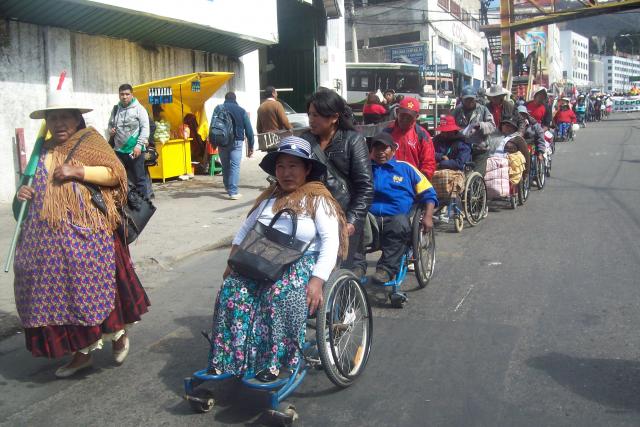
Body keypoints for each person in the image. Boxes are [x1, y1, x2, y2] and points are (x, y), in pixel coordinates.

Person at [14, 92, 150, 378]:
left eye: (65, 116)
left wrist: (78, 171)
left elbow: (116, 174)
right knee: (65, 299)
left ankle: (118, 335)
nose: (59, 123)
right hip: (48, 244)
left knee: (98, 290)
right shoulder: (41, 151)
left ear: (77, 118)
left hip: (90, 235)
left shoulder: (90, 141)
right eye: (53, 118)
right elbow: (21, 207)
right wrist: (22, 194)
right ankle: (81, 354)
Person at [207, 136, 347, 382]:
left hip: (301, 260)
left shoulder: (318, 199)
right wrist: (232, 262)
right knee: (233, 290)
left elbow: (330, 241)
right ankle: (228, 359)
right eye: (281, 166)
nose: (286, 172)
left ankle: (275, 362)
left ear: (307, 169)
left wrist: (317, 281)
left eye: (293, 166)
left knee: (279, 295)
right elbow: (244, 230)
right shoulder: (268, 198)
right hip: (262, 258)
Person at [301, 90, 373, 278]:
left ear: (334, 117)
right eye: (309, 114)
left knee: (336, 273)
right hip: (310, 215)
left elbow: (365, 187)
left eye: (316, 115)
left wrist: (351, 221)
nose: (311, 120)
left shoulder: (353, 140)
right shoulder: (305, 140)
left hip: (343, 216)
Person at [368, 132, 437, 284]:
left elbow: (429, 193)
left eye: (384, 148)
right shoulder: (365, 169)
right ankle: (356, 267)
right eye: (376, 148)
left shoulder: (406, 168)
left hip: (396, 218)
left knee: (398, 223)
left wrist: (428, 216)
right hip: (371, 219)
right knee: (355, 223)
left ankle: (386, 270)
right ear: (371, 151)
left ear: (393, 150)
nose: (380, 152)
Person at [108, 83, 151, 197]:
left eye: (127, 94)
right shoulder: (116, 109)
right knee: (121, 177)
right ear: (119, 95)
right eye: (122, 94)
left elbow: (145, 128)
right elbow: (110, 125)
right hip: (119, 151)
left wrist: (139, 146)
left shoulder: (139, 109)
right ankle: (127, 201)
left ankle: (143, 204)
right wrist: (111, 131)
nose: (124, 97)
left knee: (139, 179)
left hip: (134, 150)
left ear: (132, 95)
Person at [382, 97, 436, 180]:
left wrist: (419, 181)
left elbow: (428, 163)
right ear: (397, 112)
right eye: (403, 115)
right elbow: (377, 157)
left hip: (413, 182)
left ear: (416, 117)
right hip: (389, 180)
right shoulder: (387, 132)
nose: (405, 119)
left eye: (409, 117)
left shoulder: (422, 135)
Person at [217, 92, 255, 199]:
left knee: (225, 165)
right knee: (234, 165)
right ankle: (233, 192)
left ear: (225, 99)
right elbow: (249, 130)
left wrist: (214, 141)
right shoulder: (241, 111)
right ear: (235, 99)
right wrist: (251, 145)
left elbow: (214, 126)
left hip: (222, 141)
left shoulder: (219, 109)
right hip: (236, 141)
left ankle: (227, 187)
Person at [431, 115, 471, 214]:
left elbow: (459, 163)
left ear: (453, 131)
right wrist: (441, 156)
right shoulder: (437, 140)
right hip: (437, 168)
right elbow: (430, 152)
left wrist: (442, 164)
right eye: (443, 131)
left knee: (443, 177)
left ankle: (444, 203)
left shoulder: (462, 143)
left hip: (456, 171)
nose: (444, 133)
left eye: (447, 131)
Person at [451, 86, 496, 151]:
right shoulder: (457, 110)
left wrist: (480, 125)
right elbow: (450, 126)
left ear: (476, 99)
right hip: (461, 147)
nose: (469, 101)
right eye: (467, 99)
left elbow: (492, 126)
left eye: (471, 99)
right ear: (462, 99)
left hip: (479, 148)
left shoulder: (483, 110)